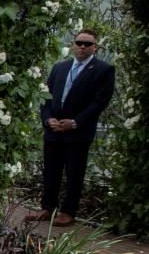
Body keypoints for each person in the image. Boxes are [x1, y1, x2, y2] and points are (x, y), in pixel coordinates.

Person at [26, 29, 115, 226]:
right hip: (53, 130)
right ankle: (47, 208)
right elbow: (46, 98)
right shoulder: (59, 67)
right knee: (51, 171)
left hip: (78, 132)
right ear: (73, 44)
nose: (82, 46)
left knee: (74, 172)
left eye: (87, 44)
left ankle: (68, 211)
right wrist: (48, 119)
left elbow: (99, 102)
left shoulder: (103, 70)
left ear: (95, 47)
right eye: (79, 42)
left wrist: (75, 122)